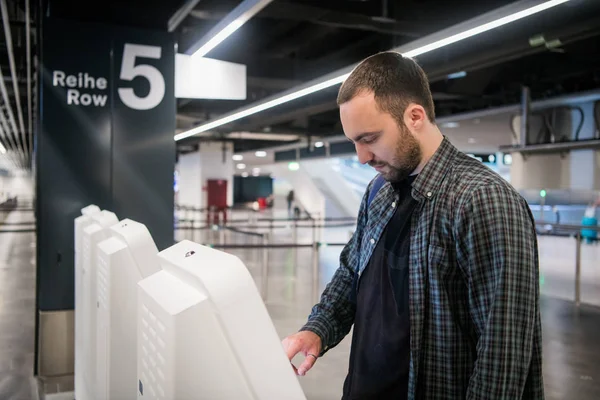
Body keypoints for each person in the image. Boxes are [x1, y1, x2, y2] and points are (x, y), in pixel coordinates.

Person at [282, 52, 544, 399]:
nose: (361, 156)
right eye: (354, 142)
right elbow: (351, 273)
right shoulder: (379, 190)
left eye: (370, 138)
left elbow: (503, 353)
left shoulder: (483, 200)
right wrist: (317, 329)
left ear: (415, 116)